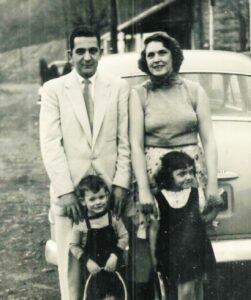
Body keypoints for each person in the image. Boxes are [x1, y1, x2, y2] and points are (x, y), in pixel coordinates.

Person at [39, 25, 130, 300]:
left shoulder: (118, 87)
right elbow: (50, 143)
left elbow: (123, 140)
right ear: (70, 55)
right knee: (73, 271)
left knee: (113, 273)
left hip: (108, 197)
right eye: (80, 51)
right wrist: (65, 191)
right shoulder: (54, 89)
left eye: (93, 50)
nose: (87, 57)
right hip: (72, 197)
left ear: (100, 52)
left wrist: (121, 184)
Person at [129, 32, 221, 299]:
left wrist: (212, 184)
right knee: (160, 253)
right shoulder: (140, 94)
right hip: (156, 181)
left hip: (190, 178)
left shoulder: (193, 90)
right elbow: (135, 144)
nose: (156, 59)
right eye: (150, 55)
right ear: (145, 61)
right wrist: (144, 190)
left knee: (191, 252)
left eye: (162, 53)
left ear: (173, 55)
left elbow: (209, 140)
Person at [154, 151, 220, 299]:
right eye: (182, 174)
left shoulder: (197, 194)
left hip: (195, 250)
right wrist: (154, 257)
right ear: (168, 175)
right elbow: (155, 229)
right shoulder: (159, 198)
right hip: (172, 253)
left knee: (194, 289)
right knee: (182, 291)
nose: (189, 177)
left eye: (191, 172)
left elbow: (203, 219)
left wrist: (215, 209)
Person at [69, 175, 128, 300]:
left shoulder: (113, 218)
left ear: (107, 195)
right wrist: (87, 261)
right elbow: (74, 245)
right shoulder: (81, 223)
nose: (98, 202)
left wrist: (115, 255)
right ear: (83, 201)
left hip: (114, 267)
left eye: (101, 197)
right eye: (92, 199)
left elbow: (124, 236)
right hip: (93, 270)